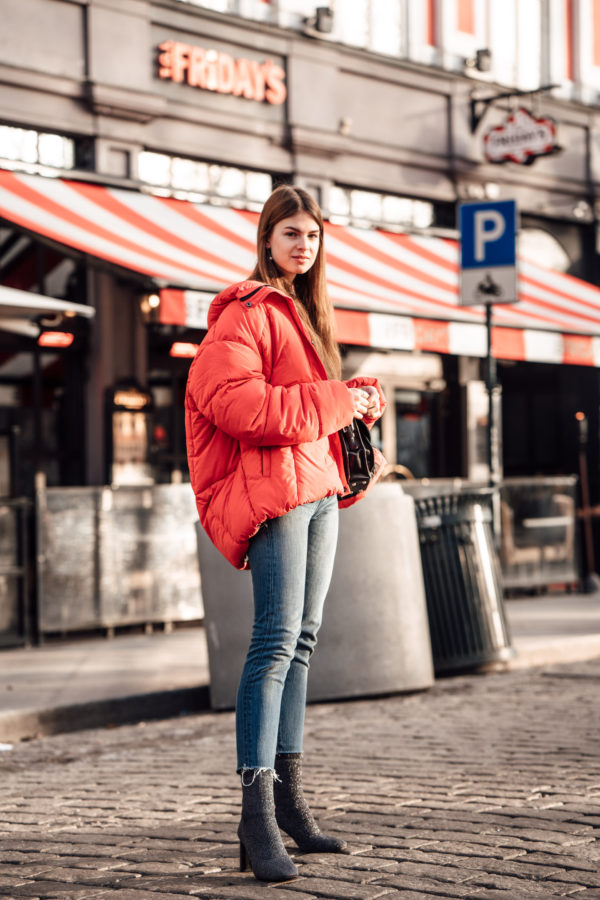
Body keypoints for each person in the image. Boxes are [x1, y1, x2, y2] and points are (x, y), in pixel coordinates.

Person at [185, 184, 385, 882]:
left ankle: (292, 806)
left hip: (319, 490)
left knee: (302, 643)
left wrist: (358, 417)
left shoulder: (307, 312)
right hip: (276, 495)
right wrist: (338, 400)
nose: (305, 245)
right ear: (267, 238)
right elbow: (239, 405)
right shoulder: (245, 312)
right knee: (273, 642)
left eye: (314, 235)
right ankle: (255, 813)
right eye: (291, 233)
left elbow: (308, 412)